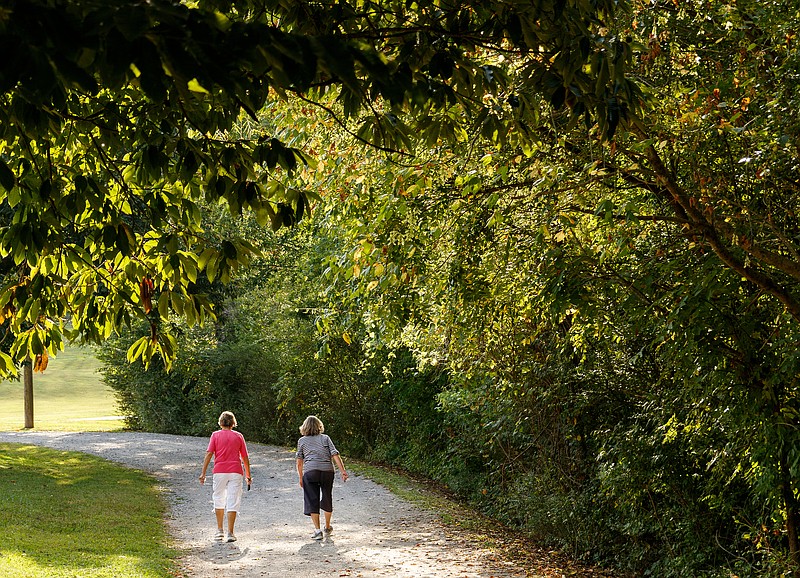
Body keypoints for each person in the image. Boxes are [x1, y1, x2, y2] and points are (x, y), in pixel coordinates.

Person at [199, 411, 252, 542]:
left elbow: (209, 454)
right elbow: (245, 457)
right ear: (233, 423)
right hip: (236, 471)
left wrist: (203, 473)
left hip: (219, 471)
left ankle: (219, 531)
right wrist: (248, 475)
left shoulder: (215, 435)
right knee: (233, 500)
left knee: (218, 498)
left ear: (220, 422)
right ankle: (230, 533)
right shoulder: (239, 436)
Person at [296, 415, 348, 540]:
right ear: (319, 426)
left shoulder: (302, 441)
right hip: (327, 472)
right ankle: (328, 526)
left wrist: (300, 476)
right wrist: (343, 471)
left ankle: (318, 531)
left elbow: (299, 461)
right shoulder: (325, 438)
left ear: (305, 427)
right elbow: (335, 454)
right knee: (327, 496)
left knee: (312, 499)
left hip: (310, 472)